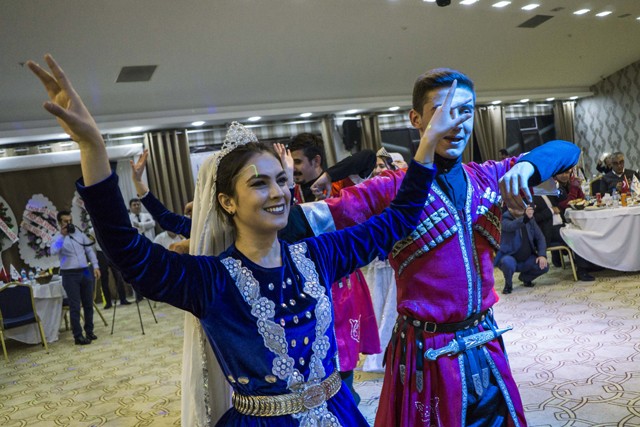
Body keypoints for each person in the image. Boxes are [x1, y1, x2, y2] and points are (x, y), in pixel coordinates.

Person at [26, 54, 473, 425]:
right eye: (259, 183)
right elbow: (129, 252)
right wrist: (93, 149)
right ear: (227, 201)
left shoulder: (319, 254)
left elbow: (397, 221)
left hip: (339, 413)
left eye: (281, 180)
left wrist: (425, 147)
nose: (278, 193)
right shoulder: (210, 281)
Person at [308, 68, 581, 426]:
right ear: (416, 119)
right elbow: (312, 222)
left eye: (465, 111)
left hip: (486, 342)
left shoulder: (488, 177)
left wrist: (527, 165)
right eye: (442, 112)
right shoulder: (391, 188)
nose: (456, 123)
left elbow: (567, 150)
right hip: (427, 354)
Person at [289, 133, 379, 404]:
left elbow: (368, 157)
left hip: (342, 285)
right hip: (307, 286)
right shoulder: (291, 191)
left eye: (297, 162)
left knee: (343, 352)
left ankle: (348, 406)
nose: (293, 168)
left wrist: (328, 176)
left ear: (316, 161)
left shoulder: (341, 184)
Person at [50, 210, 101, 344]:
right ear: (59, 223)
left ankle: (89, 331)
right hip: (69, 274)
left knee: (88, 304)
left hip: (85, 271)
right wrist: (62, 236)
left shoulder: (79, 234)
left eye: (70, 221)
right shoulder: (56, 237)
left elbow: (89, 250)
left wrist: (96, 266)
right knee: (75, 306)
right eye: (65, 221)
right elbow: (53, 251)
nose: (69, 223)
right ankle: (78, 336)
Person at [494, 204, 549, 294]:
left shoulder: (530, 219)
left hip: (527, 258)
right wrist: (525, 218)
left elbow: (540, 238)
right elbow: (512, 226)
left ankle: (525, 278)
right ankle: (508, 284)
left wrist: (542, 255)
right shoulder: (504, 218)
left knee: (544, 266)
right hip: (510, 257)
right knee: (507, 263)